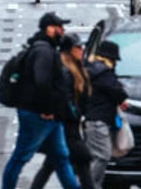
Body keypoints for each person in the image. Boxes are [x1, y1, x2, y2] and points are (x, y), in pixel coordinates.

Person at [1, 12, 80, 189]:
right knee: (21, 156)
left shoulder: (44, 48)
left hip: (49, 114)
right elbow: (42, 82)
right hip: (39, 114)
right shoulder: (44, 51)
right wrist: (47, 109)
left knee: (61, 157)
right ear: (50, 29)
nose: (63, 31)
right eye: (60, 27)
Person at [31, 33, 93, 189]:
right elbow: (64, 99)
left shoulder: (76, 69)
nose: (82, 50)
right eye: (78, 47)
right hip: (65, 126)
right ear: (69, 50)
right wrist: (75, 113)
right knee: (82, 160)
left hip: (66, 126)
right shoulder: (65, 72)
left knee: (51, 165)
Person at [84, 40, 127, 189]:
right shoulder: (103, 73)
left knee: (96, 155)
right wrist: (122, 98)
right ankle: (89, 185)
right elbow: (116, 90)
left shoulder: (92, 69)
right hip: (99, 120)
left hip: (93, 119)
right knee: (103, 155)